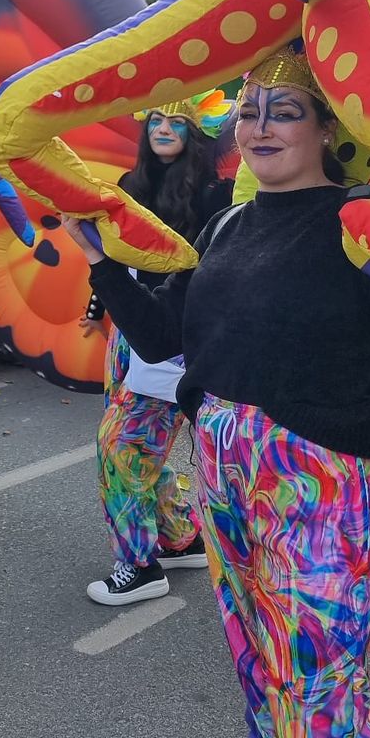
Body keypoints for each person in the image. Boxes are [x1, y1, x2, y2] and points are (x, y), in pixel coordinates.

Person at [63, 48, 370, 738]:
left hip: (321, 486)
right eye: (250, 113)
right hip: (224, 480)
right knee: (257, 664)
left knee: (316, 683)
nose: (261, 127)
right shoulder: (226, 226)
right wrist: (103, 263)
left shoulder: (364, 220)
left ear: (326, 130)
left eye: (284, 113)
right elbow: (164, 337)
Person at [81, 90, 231, 605]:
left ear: (196, 133)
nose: (163, 129)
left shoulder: (215, 195)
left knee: (121, 449)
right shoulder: (129, 185)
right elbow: (115, 259)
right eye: (156, 121)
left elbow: (208, 277)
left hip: (176, 339)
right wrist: (99, 307)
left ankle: (139, 566)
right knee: (147, 453)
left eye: (177, 122)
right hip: (128, 332)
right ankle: (177, 536)